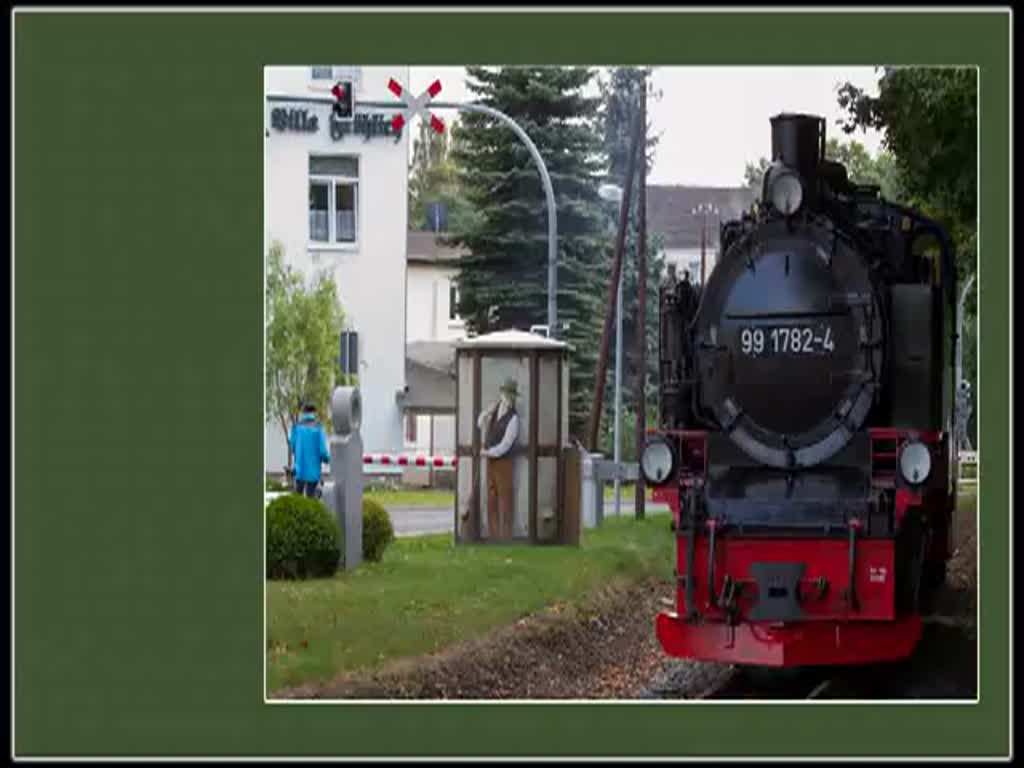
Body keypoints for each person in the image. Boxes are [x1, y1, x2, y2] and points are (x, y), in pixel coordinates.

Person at [476, 378, 520, 539]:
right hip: (491, 462)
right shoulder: (494, 410)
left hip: (504, 463)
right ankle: (494, 536)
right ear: (501, 393)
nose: (508, 397)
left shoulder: (514, 418)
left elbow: (506, 444)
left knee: (505, 499)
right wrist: (486, 412)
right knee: (492, 498)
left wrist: (489, 453)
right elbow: (480, 423)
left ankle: (506, 536)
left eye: (511, 394)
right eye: (506, 393)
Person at [288, 402, 331, 498]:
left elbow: (292, 446)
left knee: (298, 501)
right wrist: (328, 459)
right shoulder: (318, 427)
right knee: (311, 501)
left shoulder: (296, 427)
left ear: (303, 413)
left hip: (299, 471)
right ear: (314, 413)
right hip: (313, 473)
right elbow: (323, 452)